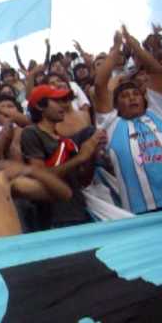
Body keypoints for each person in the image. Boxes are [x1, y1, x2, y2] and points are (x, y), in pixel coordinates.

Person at [94, 28, 162, 214]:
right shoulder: (111, 124)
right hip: (140, 213)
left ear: (144, 99)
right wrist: (117, 47)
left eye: (136, 93)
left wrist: (134, 44)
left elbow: (155, 70)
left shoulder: (158, 114)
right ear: (116, 105)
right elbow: (100, 84)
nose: (132, 98)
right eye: (125, 96)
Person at [21, 85, 100, 229]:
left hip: (78, 212)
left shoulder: (65, 140)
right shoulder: (31, 133)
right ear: (40, 105)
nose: (64, 105)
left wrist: (92, 151)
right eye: (57, 101)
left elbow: (83, 180)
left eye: (64, 101)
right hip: (53, 219)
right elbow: (40, 176)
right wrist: (80, 158)